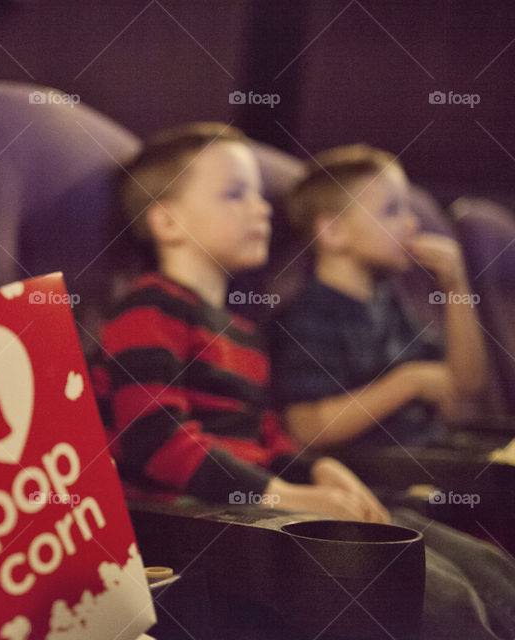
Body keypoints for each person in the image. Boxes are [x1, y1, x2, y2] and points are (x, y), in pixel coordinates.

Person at [92, 123, 388, 523]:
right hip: (188, 519)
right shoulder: (148, 309)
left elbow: (262, 436)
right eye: (235, 194)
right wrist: (281, 495)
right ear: (168, 223)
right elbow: (154, 439)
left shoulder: (244, 332)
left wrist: (316, 470)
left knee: (456, 555)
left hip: (254, 508)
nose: (261, 208)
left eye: (260, 195)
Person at [270, 144, 488, 450]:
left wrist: (456, 287)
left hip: (428, 453)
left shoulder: (387, 302)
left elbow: (464, 390)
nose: (411, 224)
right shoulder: (307, 316)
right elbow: (306, 427)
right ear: (334, 231)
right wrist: (408, 383)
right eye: (392, 210)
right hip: (376, 475)